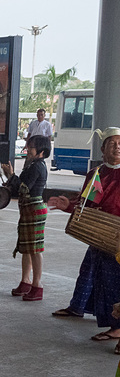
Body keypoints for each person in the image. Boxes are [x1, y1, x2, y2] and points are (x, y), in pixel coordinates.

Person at [48, 128, 120, 349]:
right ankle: (88, 311)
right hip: (100, 235)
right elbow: (86, 204)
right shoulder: (96, 173)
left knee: (114, 282)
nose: (117, 147)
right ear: (102, 149)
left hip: (117, 238)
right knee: (99, 277)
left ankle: (116, 327)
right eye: (112, 143)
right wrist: (67, 206)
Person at [1, 135, 50, 301]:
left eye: (31, 147)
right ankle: (26, 282)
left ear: (41, 152)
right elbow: (20, 186)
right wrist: (11, 179)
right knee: (27, 248)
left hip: (34, 210)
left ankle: (37, 285)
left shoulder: (37, 166)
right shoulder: (32, 165)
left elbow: (23, 188)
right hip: (30, 210)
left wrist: (11, 176)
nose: (27, 150)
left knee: (35, 249)